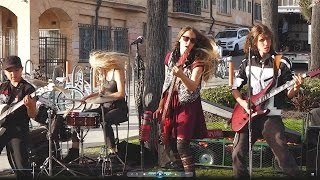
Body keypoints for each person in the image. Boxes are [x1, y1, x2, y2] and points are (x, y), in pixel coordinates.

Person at [231, 23, 303, 179]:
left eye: (268, 39)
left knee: (283, 156)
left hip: (271, 116)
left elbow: (289, 93)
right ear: (254, 42)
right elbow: (235, 88)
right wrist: (243, 104)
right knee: (237, 154)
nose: (266, 43)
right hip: (248, 116)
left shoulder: (281, 62)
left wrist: (296, 87)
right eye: (262, 40)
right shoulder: (247, 62)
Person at [153, 26, 219, 176]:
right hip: (171, 102)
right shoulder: (170, 57)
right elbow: (166, 83)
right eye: (186, 38)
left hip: (188, 104)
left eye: (192, 40)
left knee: (182, 144)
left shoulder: (198, 60)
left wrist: (182, 75)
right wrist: (161, 105)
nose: (188, 42)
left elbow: (192, 86)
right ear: (179, 39)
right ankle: (183, 172)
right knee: (170, 143)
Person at [62, 51, 129, 163]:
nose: (97, 70)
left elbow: (121, 93)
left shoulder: (117, 71)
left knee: (105, 120)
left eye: (97, 67)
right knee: (78, 117)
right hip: (105, 107)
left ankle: (113, 151)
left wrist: (105, 96)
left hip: (118, 108)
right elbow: (100, 93)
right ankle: (74, 152)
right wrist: (87, 97)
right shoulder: (103, 73)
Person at [0, 56, 37, 179]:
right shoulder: (2, 87)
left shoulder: (28, 89)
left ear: (21, 70)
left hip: (19, 130)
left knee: (21, 166)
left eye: (16, 70)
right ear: (4, 72)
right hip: (3, 127)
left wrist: (30, 106)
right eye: (9, 71)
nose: (13, 73)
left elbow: (32, 115)